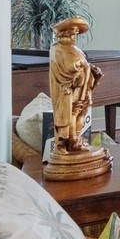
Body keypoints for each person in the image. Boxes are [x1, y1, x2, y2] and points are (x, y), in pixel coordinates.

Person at [49, 16, 102, 154]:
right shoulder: (57, 50)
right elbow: (65, 69)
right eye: (72, 33)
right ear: (64, 34)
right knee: (69, 115)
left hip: (82, 89)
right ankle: (65, 143)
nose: (74, 37)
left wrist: (91, 69)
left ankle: (76, 142)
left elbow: (83, 64)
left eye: (76, 34)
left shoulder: (76, 50)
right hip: (68, 90)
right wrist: (77, 69)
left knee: (80, 112)